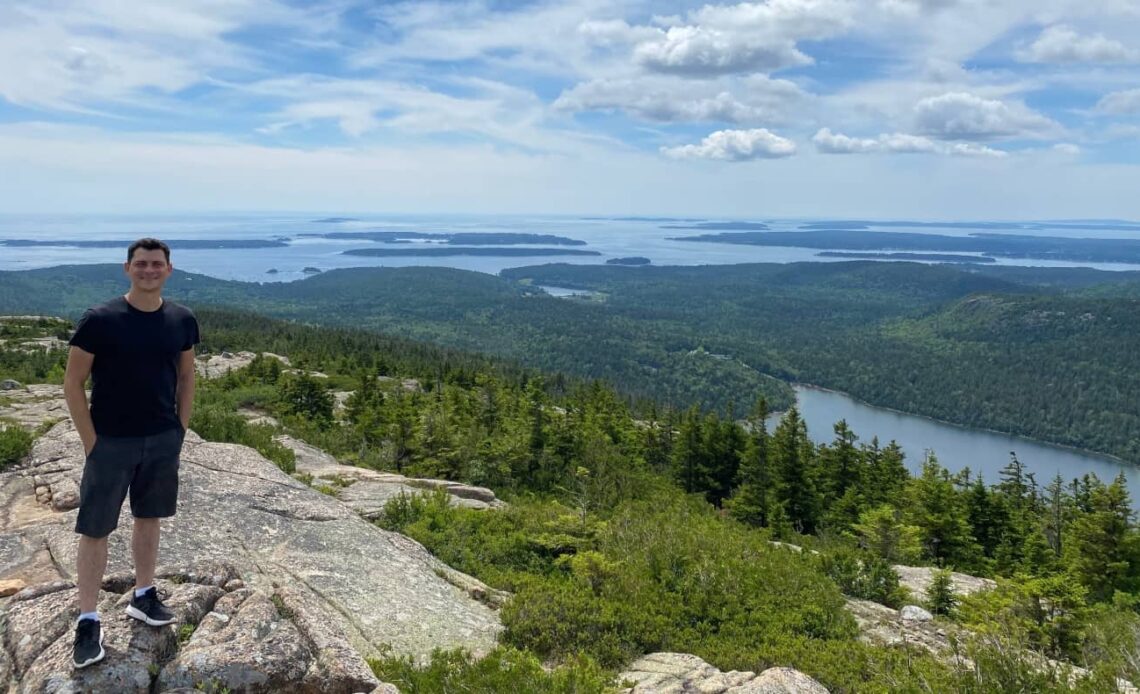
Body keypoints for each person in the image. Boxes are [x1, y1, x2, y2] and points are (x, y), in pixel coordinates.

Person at [63, 238, 199, 669]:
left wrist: (180, 428)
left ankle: (143, 594)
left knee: (149, 517)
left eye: (156, 264)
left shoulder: (181, 319)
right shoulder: (100, 320)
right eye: (141, 264)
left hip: (161, 438)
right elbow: (73, 384)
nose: (149, 270)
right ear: (127, 269)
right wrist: (91, 442)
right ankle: (88, 619)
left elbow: (187, 375)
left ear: (168, 270)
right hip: (112, 441)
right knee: (96, 527)